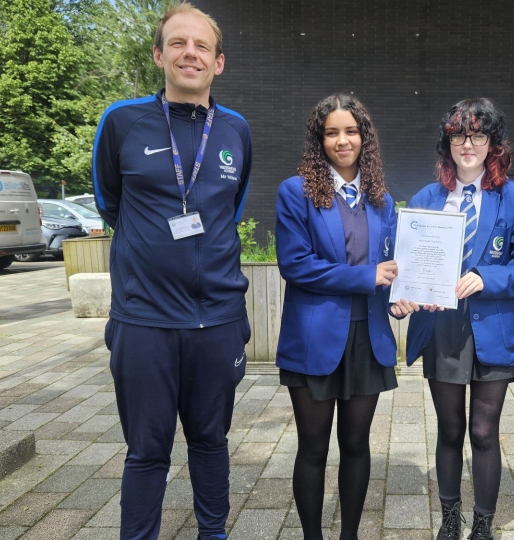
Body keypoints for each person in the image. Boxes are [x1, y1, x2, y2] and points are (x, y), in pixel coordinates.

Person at [91, 4, 252, 539]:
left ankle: (214, 534)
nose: (190, 53)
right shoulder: (121, 122)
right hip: (144, 322)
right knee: (146, 451)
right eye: (178, 44)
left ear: (219, 62)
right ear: (159, 56)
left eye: (202, 46)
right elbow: (110, 205)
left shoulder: (236, 132)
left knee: (210, 441)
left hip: (218, 320)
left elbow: (231, 208)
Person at [399, 98, 514, 540]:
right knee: (450, 428)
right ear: (447, 143)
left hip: (493, 327)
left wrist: (485, 277)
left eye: (478, 135)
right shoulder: (427, 198)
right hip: (444, 329)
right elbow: (407, 264)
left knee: (482, 430)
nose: (468, 144)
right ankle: (449, 519)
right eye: (459, 135)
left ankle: (482, 525)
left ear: (493, 143)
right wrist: (409, 296)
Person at [274, 93, 403, 540]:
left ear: (365, 137)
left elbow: (393, 267)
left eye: (351, 131)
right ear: (319, 139)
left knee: (355, 445)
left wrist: (402, 295)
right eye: (332, 132)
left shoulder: (382, 200)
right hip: (314, 338)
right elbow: (296, 265)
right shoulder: (297, 192)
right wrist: (368, 277)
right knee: (312, 449)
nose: (342, 140)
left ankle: (348, 536)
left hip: (368, 337)